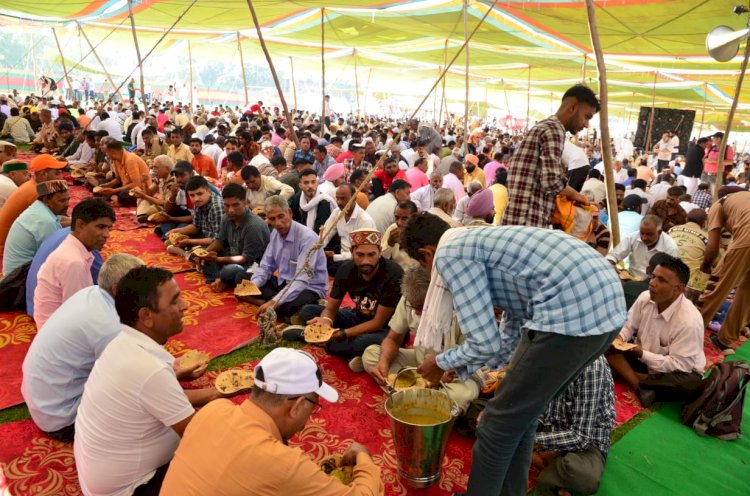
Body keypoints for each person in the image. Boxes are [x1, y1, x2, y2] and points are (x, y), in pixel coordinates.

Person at [400, 213, 626, 495]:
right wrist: (464, 368)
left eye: (426, 266)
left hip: (571, 315)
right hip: (608, 310)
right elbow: (511, 327)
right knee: (522, 417)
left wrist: (442, 361)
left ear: (426, 254)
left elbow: (485, 342)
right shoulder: (474, 238)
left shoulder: (449, 252)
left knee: (496, 427)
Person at [74, 267, 227, 496]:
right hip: (132, 487)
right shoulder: (149, 369)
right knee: (231, 468)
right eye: (175, 301)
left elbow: (164, 397)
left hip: (101, 477)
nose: (185, 306)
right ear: (146, 316)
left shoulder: (123, 341)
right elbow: (198, 434)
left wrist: (215, 392)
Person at [159, 347, 383, 495]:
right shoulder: (282, 463)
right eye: (313, 406)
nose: (310, 417)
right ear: (297, 406)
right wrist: (363, 457)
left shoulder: (214, 409)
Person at [22, 254, 144, 442]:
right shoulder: (108, 326)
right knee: (147, 413)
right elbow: (134, 383)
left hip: (43, 402)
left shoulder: (91, 293)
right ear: (118, 289)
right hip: (63, 420)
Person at [363, 264, 480, 413]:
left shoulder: (463, 308)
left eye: (421, 307)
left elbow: (473, 356)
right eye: (413, 307)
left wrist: (441, 372)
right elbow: (393, 338)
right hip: (421, 365)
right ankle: (423, 398)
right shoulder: (409, 300)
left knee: (461, 396)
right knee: (371, 353)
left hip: (458, 373)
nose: (416, 313)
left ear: (437, 297)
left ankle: (411, 395)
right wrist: (384, 362)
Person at [606, 255, 705, 407]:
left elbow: (681, 365)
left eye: (662, 280)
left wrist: (642, 353)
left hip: (675, 371)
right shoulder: (645, 297)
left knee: (691, 384)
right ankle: (639, 386)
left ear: (678, 289)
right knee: (605, 345)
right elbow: (628, 326)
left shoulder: (689, 321)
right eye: (653, 277)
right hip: (642, 358)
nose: (652, 283)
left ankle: (631, 376)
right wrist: (619, 339)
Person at [296, 228, 404, 366]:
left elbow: (378, 323)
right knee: (308, 311)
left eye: (371, 255)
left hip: (387, 329)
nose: (366, 261)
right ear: (352, 252)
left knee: (362, 342)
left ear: (379, 252)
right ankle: (355, 351)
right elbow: (331, 308)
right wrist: (326, 321)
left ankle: (321, 340)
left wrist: (343, 333)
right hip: (358, 319)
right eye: (360, 255)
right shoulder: (346, 270)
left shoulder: (393, 274)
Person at [503, 84, 596, 227]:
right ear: (572, 107)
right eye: (586, 117)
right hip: (527, 221)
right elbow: (552, 183)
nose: (586, 125)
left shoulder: (544, 126)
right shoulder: (554, 130)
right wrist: (578, 196)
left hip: (518, 218)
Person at [533, 357, 615, 496]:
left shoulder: (592, 366)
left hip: (586, 443)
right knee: (494, 420)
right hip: (548, 427)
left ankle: (531, 456)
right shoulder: (545, 352)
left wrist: (531, 440)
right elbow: (537, 402)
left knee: (583, 478)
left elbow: (581, 437)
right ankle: (553, 469)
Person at [238, 195, 328, 321]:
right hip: (285, 283)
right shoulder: (275, 233)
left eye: (281, 216)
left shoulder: (307, 237)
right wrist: (253, 285)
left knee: (286, 305)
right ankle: (273, 306)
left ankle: (273, 305)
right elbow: (266, 266)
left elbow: (301, 280)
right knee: (242, 278)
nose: (278, 223)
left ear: (289, 213)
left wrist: (274, 302)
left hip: (309, 287)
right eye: (272, 219)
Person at [33, 199, 115, 329]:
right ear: (80, 225)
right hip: (58, 333)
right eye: (100, 227)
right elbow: (77, 316)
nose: (106, 235)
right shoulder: (73, 262)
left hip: (55, 324)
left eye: (108, 228)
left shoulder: (73, 248)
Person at [698, 190, 750, 352]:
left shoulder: (718, 205)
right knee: (747, 292)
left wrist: (706, 265)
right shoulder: (743, 198)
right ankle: (726, 340)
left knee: (717, 287)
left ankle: (691, 331)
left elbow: (712, 247)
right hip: (746, 237)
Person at [199, 183, 270, 291]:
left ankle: (222, 280)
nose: (230, 210)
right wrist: (205, 254)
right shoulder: (226, 218)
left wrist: (218, 259)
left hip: (251, 265)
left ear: (245, 203)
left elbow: (246, 258)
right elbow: (220, 241)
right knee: (207, 257)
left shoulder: (253, 225)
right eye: (227, 205)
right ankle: (222, 280)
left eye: (235, 205)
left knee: (231, 271)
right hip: (231, 257)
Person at [0, 154, 66, 254]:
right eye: (57, 174)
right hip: (7, 243)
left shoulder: (34, 184)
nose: (61, 178)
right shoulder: (36, 192)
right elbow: (54, 221)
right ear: (44, 174)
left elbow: (62, 189)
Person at [2, 180, 69, 277]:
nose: (67, 204)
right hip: (18, 280)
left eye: (68, 199)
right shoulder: (45, 221)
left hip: (14, 272)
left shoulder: (39, 208)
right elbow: (56, 256)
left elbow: (58, 220)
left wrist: (76, 222)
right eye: (62, 201)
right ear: (46, 200)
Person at [320, 183, 377, 276]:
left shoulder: (364, 220)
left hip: (356, 261)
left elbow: (363, 254)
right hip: (341, 256)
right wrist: (318, 249)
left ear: (354, 199)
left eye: (343, 199)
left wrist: (334, 257)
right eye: (337, 198)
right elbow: (325, 234)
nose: (339, 202)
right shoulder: (337, 213)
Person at [166, 175, 225, 257]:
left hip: (220, 244)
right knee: (171, 239)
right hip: (205, 237)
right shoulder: (199, 202)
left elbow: (217, 240)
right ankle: (189, 252)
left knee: (202, 257)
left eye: (199, 194)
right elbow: (196, 226)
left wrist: (190, 241)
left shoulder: (216, 206)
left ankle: (188, 253)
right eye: (192, 195)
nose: (196, 198)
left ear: (209, 191)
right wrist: (177, 231)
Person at [606, 215, 680, 280]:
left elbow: (671, 275)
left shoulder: (670, 248)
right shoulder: (633, 237)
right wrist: (611, 265)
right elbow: (613, 255)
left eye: (649, 234)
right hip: (631, 279)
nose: (644, 238)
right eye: (642, 233)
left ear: (659, 232)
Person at [95, 140, 153, 209]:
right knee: (103, 182)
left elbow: (136, 184)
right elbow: (117, 179)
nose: (106, 155)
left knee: (124, 194)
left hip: (140, 190)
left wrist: (114, 190)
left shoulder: (130, 160)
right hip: (125, 186)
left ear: (112, 152)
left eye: (107, 152)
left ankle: (116, 198)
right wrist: (107, 185)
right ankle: (115, 198)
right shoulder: (115, 160)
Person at [289, 168, 335, 234]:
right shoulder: (298, 197)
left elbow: (319, 231)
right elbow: (291, 218)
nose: (310, 186)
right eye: (306, 183)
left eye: (313, 182)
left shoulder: (324, 202)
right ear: (300, 185)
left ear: (317, 183)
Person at [381, 200, 419, 270]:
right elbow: (381, 260)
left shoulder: (422, 230)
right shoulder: (393, 229)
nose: (399, 223)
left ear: (415, 217)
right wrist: (390, 244)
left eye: (405, 218)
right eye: (396, 218)